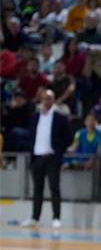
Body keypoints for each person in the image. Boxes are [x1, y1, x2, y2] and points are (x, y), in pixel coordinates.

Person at [21, 90, 72, 228]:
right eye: (44, 99)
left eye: (49, 99)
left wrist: (58, 151)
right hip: (37, 157)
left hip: (52, 157)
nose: (46, 101)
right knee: (37, 189)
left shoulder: (60, 118)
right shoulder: (34, 117)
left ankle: (56, 217)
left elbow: (68, 137)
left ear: (53, 100)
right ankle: (35, 217)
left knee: (54, 187)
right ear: (40, 101)